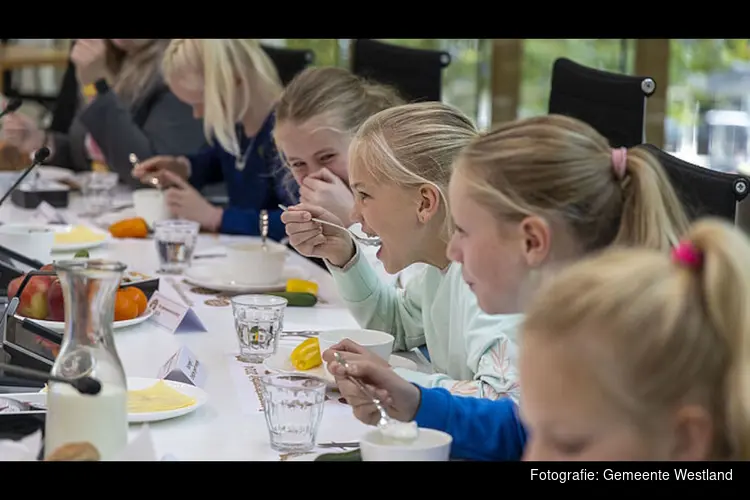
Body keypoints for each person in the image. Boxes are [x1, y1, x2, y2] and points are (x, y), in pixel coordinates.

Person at [325, 114, 692, 461]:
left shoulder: (608, 355)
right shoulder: (568, 330)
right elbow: (521, 431)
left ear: (532, 242)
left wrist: (411, 390)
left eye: (465, 231)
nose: (453, 249)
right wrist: (415, 401)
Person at [283, 102, 525, 401]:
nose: (355, 214)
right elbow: (395, 326)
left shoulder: (490, 277)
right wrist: (345, 256)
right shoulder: (440, 267)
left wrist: (391, 378)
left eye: (364, 195)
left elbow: (502, 398)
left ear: (424, 203)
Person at [273, 66, 424, 285]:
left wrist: (350, 222)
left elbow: (403, 297)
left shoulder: (413, 196)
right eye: (298, 164)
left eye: (326, 157)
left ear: (367, 138)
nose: (316, 175)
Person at [131, 39, 295, 240]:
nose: (197, 114)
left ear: (235, 81)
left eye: (202, 102)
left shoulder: (287, 137)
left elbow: (299, 221)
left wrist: (216, 217)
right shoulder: (237, 125)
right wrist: (183, 167)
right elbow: (220, 160)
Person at [2, 39, 204, 186]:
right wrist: (43, 142)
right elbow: (91, 157)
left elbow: (149, 172)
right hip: (100, 212)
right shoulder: (106, 57)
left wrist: (97, 89)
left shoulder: (179, 67)